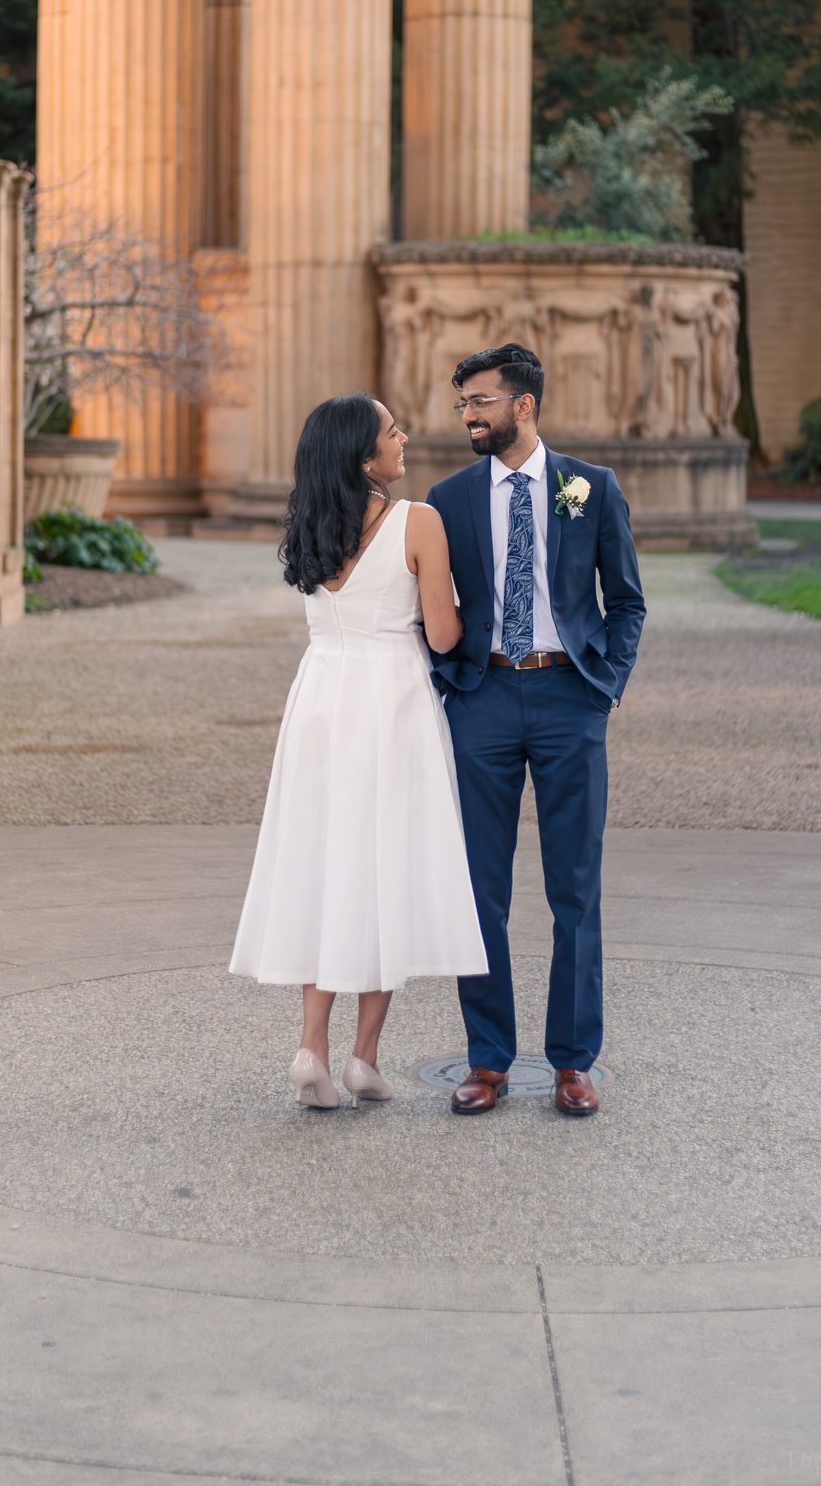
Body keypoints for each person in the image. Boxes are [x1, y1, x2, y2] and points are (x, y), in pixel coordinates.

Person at [229, 393, 488, 1110]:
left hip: (319, 699)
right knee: (385, 869)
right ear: (363, 456)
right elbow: (441, 635)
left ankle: (310, 1046)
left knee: (328, 865)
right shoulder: (417, 522)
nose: (404, 439)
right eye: (391, 432)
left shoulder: (306, 520)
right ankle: (362, 1059)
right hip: (391, 702)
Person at [426, 343, 646, 1118]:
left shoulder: (590, 488)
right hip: (482, 699)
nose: (466, 416)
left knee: (573, 890)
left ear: (523, 404)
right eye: (461, 405)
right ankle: (487, 1061)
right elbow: (425, 600)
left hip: (567, 699)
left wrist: (603, 689)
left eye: (479, 401)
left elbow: (626, 601)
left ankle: (571, 1062)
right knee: (478, 890)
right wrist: (446, 681)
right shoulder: (446, 499)